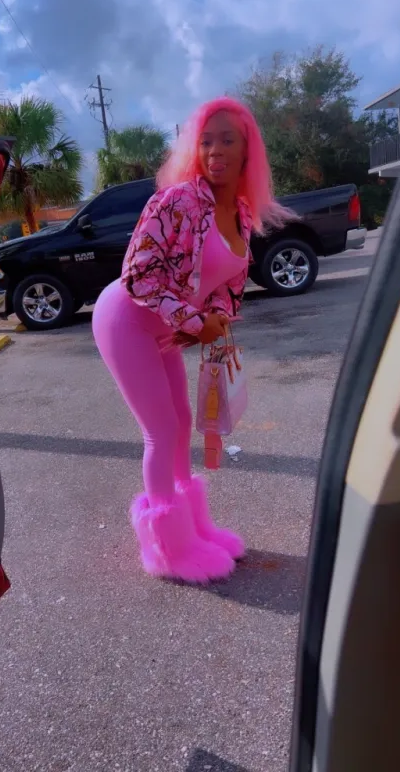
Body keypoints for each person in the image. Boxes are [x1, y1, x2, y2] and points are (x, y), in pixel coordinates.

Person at [92, 96, 292, 583]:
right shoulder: (177, 201)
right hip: (125, 318)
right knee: (161, 430)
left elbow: (227, 285)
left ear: (247, 152)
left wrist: (214, 318)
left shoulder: (240, 214)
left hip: (163, 325)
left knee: (183, 420)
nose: (215, 151)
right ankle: (168, 549)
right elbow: (138, 275)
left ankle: (195, 530)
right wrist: (192, 319)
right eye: (205, 141)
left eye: (227, 141)